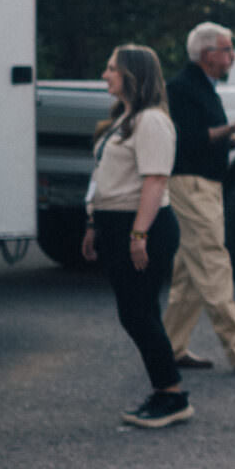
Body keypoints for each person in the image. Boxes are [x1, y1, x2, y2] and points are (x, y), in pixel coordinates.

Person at [82, 46, 191, 429]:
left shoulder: (151, 121)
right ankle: (164, 390)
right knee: (137, 312)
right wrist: (93, 223)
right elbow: (104, 176)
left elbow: (155, 180)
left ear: (132, 75)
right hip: (116, 223)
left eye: (112, 69)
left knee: (138, 313)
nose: (105, 75)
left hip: (143, 226)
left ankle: (172, 394)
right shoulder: (124, 119)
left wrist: (139, 234)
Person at [163, 23, 235, 372]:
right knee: (213, 259)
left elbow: (209, 139)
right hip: (191, 185)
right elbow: (192, 139)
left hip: (205, 183)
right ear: (207, 54)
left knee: (188, 272)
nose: (232, 55)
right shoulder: (182, 88)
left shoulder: (204, 87)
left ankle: (169, 347)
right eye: (227, 49)